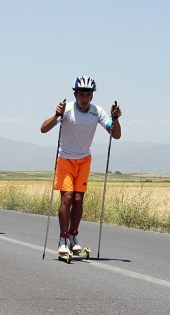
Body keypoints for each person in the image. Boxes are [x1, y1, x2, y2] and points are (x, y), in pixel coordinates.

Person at [40, 76, 122, 255]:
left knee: (78, 200)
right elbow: (43, 128)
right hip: (65, 159)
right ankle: (62, 239)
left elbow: (115, 135)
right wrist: (56, 115)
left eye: (88, 94)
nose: (84, 98)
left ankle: (73, 236)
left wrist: (115, 119)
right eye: (81, 94)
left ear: (92, 95)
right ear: (75, 94)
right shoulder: (67, 109)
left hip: (84, 159)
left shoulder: (96, 111)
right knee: (67, 198)